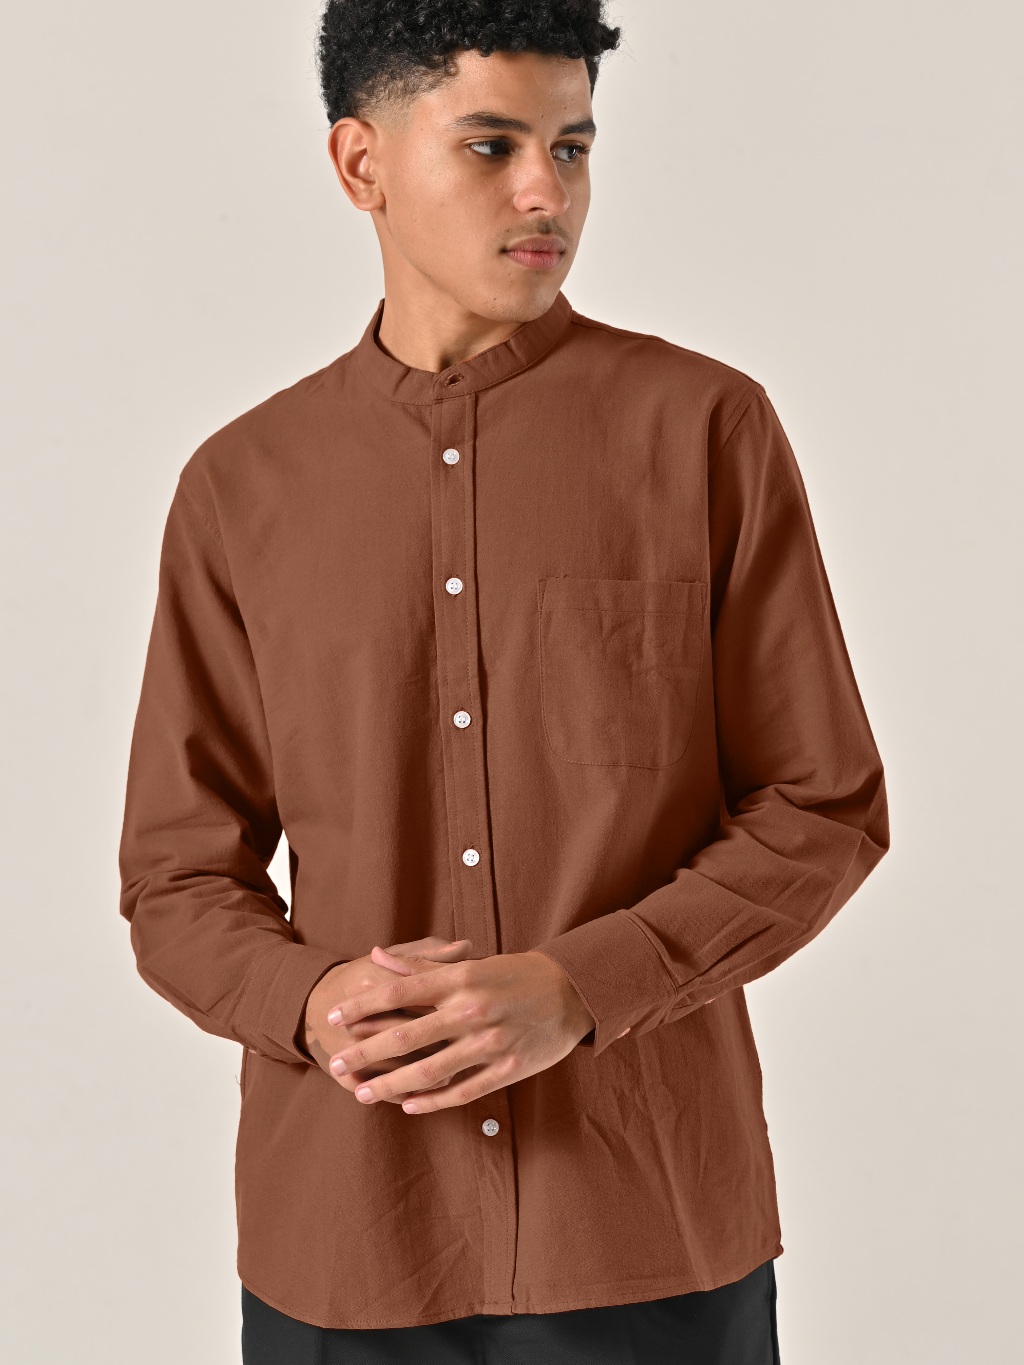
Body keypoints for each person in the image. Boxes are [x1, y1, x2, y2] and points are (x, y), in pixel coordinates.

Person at [118, 2, 889, 1361]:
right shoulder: (243, 488)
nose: (549, 193)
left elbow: (821, 805)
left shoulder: (705, 431)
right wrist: (310, 1001)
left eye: (572, 148)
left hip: (644, 1223)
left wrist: (588, 983)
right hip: (347, 1236)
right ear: (362, 163)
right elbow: (178, 876)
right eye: (492, 146)